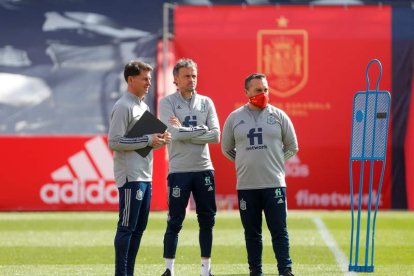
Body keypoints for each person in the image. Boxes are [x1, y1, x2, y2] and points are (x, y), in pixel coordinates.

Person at [221, 73, 298, 276]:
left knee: (279, 231)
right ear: (246, 92)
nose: (263, 94)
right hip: (247, 186)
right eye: (258, 90)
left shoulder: (279, 116)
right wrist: (243, 162)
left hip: (274, 184)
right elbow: (226, 148)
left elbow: (292, 146)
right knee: (252, 233)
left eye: (265, 89)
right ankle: (255, 271)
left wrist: (277, 162)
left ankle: (285, 270)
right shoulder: (235, 117)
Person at [108, 60, 171, 276]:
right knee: (126, 227)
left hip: (145, 175)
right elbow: (114, 142)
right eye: (144, 79)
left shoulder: (143, 105)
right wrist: (147, 138)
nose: (148, 83)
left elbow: (143, 142)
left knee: (138, 229)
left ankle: (129, 272)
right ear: (131, 79)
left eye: (150, 79)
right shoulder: (123, 106)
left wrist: (158, 140)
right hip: (130, 176)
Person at [159, 58, 220, 276]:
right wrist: (199, 131)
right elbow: (172, 134)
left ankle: (206, 271)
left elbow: (215, 136)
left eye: (194, 75)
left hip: (204, 168)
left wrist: (184, 132)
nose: (191, 80)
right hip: (179, 171)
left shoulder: (206, 102)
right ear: (175, 79)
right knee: (175, 220)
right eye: (186, 76)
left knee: (207, 220)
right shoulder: (166, 103)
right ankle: (168, 270)